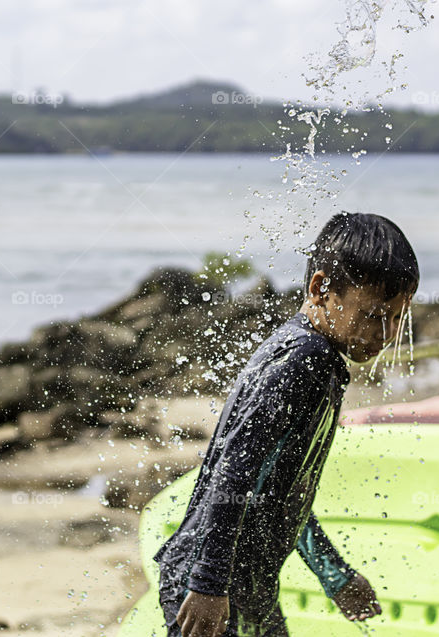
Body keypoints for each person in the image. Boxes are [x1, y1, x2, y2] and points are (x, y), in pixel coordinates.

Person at [153, 212, 420, 636]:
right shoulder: (302, 361)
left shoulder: (321, 360)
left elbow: (279, 491)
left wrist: (334, 574)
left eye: (397, 317)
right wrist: (207, 585)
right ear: (320, 288)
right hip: (210, 580)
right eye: (372, 314)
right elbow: (234, 475)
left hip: (245, 581)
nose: (386, 332)